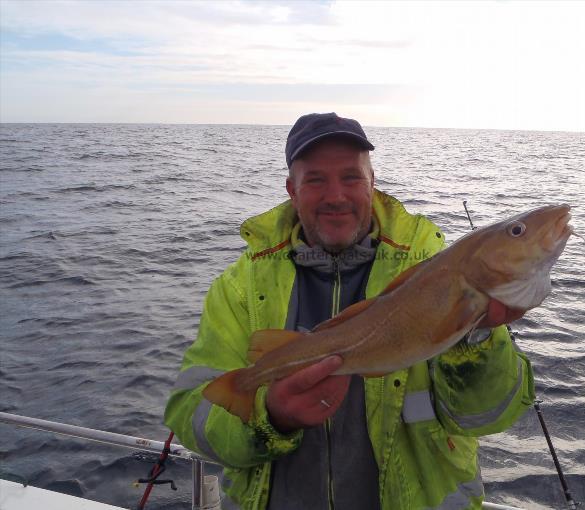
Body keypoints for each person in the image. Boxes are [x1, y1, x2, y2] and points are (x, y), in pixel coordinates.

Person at [165, 112, 535, 510]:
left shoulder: (431, 267)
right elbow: (192, 416)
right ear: (292, 190)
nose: (336, 196)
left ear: (373, 183)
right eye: (316, 180)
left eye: (351, 177)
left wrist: (474, 337)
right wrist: (270, 416)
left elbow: (486, 417)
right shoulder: (239, 288)